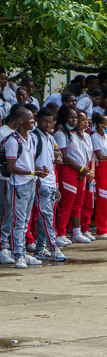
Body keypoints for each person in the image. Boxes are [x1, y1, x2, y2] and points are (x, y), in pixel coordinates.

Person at [6, 108, 43, 268]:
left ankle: (23, 253)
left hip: (31, 182)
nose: (33, 121)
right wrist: (32, 171)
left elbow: (31, 160)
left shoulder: (32, 139)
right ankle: (18, 255)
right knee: (19, 221)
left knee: (26, 220)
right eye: (31, 119)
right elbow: (11, 167)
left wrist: (39, 171)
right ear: (20, 120)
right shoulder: (13, 141)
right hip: (19, 184)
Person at [54, 106, 94, 244]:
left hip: (80, 171)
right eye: (71, 117)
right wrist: (82, 169)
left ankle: (76, 232)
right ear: (64, 117)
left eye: (76, 117)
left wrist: (84, 170)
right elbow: (65, 157)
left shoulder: (78, 134)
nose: (74, 120)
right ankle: (60, 233)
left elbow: (85, 154)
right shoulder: (61, 133)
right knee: (67, 203)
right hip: (68, 170)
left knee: (78, 203)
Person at [31, 108, 64, 262]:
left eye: (51, 122)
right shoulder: (34, 137)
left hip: (50, 182)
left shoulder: (50, 138)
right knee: (46, 216)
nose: (48, 124)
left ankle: (39, 249)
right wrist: (37, 176)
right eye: (45, 121)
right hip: (41, 182)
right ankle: (53, 248)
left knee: (43, 217)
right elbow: (30, 159)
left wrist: (56, 184)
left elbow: (54, 158)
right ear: (37, 120)